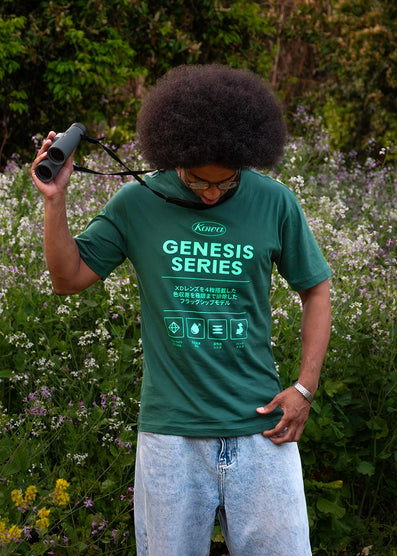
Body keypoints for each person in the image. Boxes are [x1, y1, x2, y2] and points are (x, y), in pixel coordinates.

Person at [31, 64, 331, 556]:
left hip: (263, 430)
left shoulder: (273, 200)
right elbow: (68, 279)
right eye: (198, 181)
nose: (212, 193)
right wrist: (54, 200)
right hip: (170, 438)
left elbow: (316, 289)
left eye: (225, 181)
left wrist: (304, 388)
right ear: (174, 158)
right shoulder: (136, 202)